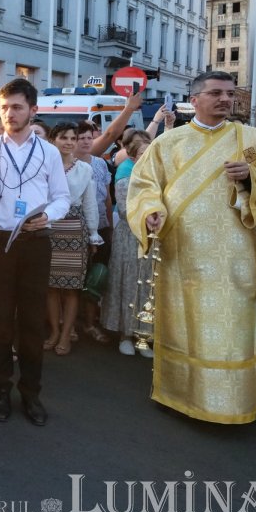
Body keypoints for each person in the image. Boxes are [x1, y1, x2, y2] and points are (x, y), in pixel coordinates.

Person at [127, 70, 256, 424]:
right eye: (216, 93)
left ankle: (238, 399)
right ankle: (183, 394)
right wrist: (151, 212)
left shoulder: (254, 141)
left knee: (236, 330)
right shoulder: (168, 143)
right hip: (184, 255)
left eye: (230, 94)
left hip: (237, 257)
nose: (225, 99)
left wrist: (251, 178)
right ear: (194, 99)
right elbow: (144, 185)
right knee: (188, 326)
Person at [0, 78, 71, 427]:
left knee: (31, 322)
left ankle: (31, 393)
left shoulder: (49, 152)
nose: (9, 114)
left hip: (35, 241)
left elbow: (62, 197)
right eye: (4, 108)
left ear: (32, 109)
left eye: (16, 107)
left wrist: (48, 216)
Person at [43, 122, 101, 356]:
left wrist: (94, 235)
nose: (69, 142)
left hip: (75, 229)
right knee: (50, 286)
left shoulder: (84, 169)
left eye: (73, 138)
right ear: (52, 140)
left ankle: (66, 334)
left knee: (72, 288)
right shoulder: (44, 166)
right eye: (63, 137)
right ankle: (54, 332)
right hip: (47, 227)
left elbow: (89, 203)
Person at [103, 134, 153, 356]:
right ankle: (125, 334)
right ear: (133, 155)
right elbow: (124, 210)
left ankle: (144, 335)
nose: (147, 156)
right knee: (130, 283)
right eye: (142, 152)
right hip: (132, 235)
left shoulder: (154, 172)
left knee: (149, 286)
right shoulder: (125, 173)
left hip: (154, 236)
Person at [75, 120, 112, 344]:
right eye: (82, 138)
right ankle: (68, 325)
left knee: (97, 277)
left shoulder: (100, 164)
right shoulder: (64, 164)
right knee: (73, 279)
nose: (87, 141)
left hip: (101, 227)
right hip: (74, 230)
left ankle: (90, 324)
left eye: (90, 137)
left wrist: (109, 226)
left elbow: (106, 197)